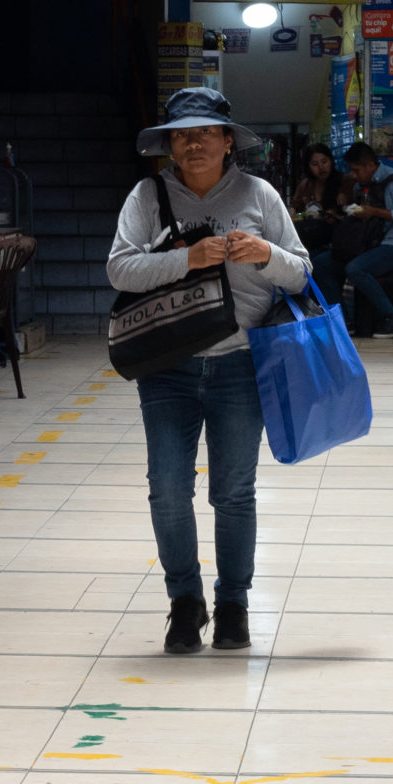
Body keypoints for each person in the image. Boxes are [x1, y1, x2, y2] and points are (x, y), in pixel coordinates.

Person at [108, 87, 313, 655]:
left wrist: (266, 255)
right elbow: (120, 269)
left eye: (205, 133)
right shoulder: (148, 196)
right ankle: (184, 602)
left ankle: (233, 605)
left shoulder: (259, 194)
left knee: (234, 493)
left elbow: (303, 273)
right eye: (181, 135)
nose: (193, 144)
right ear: (169, 145)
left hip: (243, 365)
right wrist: (186, 258)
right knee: (168, 491)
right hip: (166, 367)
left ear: (228, 141)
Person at [335, 140, 393, 339]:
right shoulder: (360, 185)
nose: (354, 175)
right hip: (370, 245)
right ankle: (344, 320)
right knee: (322, 264)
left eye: (356, 170)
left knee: (355, 268)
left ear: (370, 165)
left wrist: (375, 212)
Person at [289, 142, 351, 297]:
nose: (321, 168)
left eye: (324, 161)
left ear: (331, 160)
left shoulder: (344, 181)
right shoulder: (305, 185)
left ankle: (334, 309)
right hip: (310, 242)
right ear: (308, 166)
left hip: (337, 244)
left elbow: (352, 211)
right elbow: (294, 209)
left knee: (317, 267)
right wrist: (295, 213)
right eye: (315, 164)